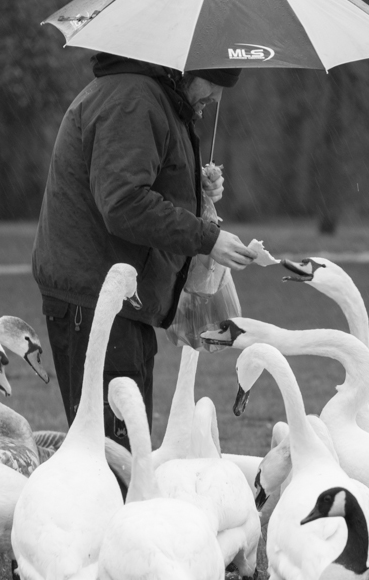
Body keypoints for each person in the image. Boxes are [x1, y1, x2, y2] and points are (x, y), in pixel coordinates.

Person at [32, 53, 257, 449]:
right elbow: (123, 204)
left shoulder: (147, 97)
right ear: (186, 69)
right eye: (215, 82)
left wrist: (192, 190)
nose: (217, 98)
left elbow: (132, 182)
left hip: (118, 297)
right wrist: (206, 238)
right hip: (96, 299)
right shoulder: (132, 101)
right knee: (114, 456)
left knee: (125, 451)